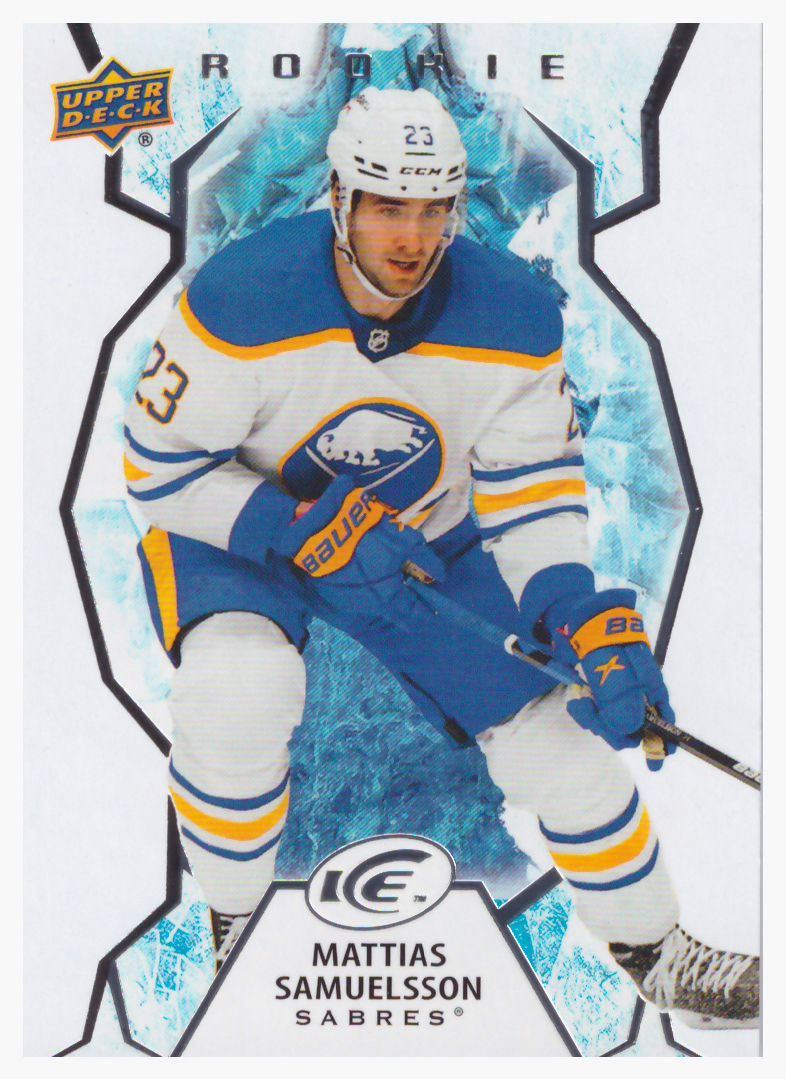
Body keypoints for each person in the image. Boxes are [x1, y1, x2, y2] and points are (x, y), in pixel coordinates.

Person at [124, 87, 758, 1027]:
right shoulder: (241, 296)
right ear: (338, 197)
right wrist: (288, 525)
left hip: (416, 539)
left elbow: (533, 491)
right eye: (387, 205)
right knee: (236, 693)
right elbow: (159, 469)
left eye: (433, 209)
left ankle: (657, 950)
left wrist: (571, 609)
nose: (412, 236)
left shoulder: (514, 316)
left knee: (561, 741)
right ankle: (235, 929)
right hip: (242, 533)